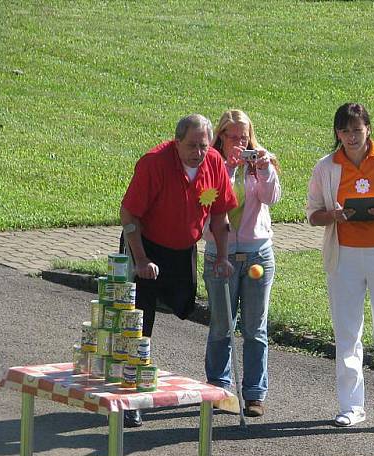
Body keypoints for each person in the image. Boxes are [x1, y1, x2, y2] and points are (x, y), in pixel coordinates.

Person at [306, 102, 374, 433]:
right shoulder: (327, 167)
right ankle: (351, 406)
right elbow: (313, 214)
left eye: (357, 129)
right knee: (347, 332)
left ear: (368, 128)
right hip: (345, 257)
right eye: (344, 130)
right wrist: (334, 215)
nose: (351, 137)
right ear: (336, 133)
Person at [120, 114, 236, 427]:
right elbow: (129, 214)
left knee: (184, 304)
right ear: (176, 141)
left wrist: (224, 257)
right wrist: (141, 260)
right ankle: (132, 395)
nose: (198, 152)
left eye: (203, 145)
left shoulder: (213, 162)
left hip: (182, 247)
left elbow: (221, 214)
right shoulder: (154, 163)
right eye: (191, 146)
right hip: (144, 242)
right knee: (140, 321)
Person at [203, 109, 281, 417]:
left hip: (256, 252)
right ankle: (219, 388)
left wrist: (264, 170)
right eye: (233, 137)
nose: (239, 143)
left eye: (244, 137)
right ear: (220, 136)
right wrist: (228, 171)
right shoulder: (209, 165)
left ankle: (254, 395)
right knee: (221, 325)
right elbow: (206, 201)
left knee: (255, 328)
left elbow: (271, 197)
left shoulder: (260, 162)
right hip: (218, 251)